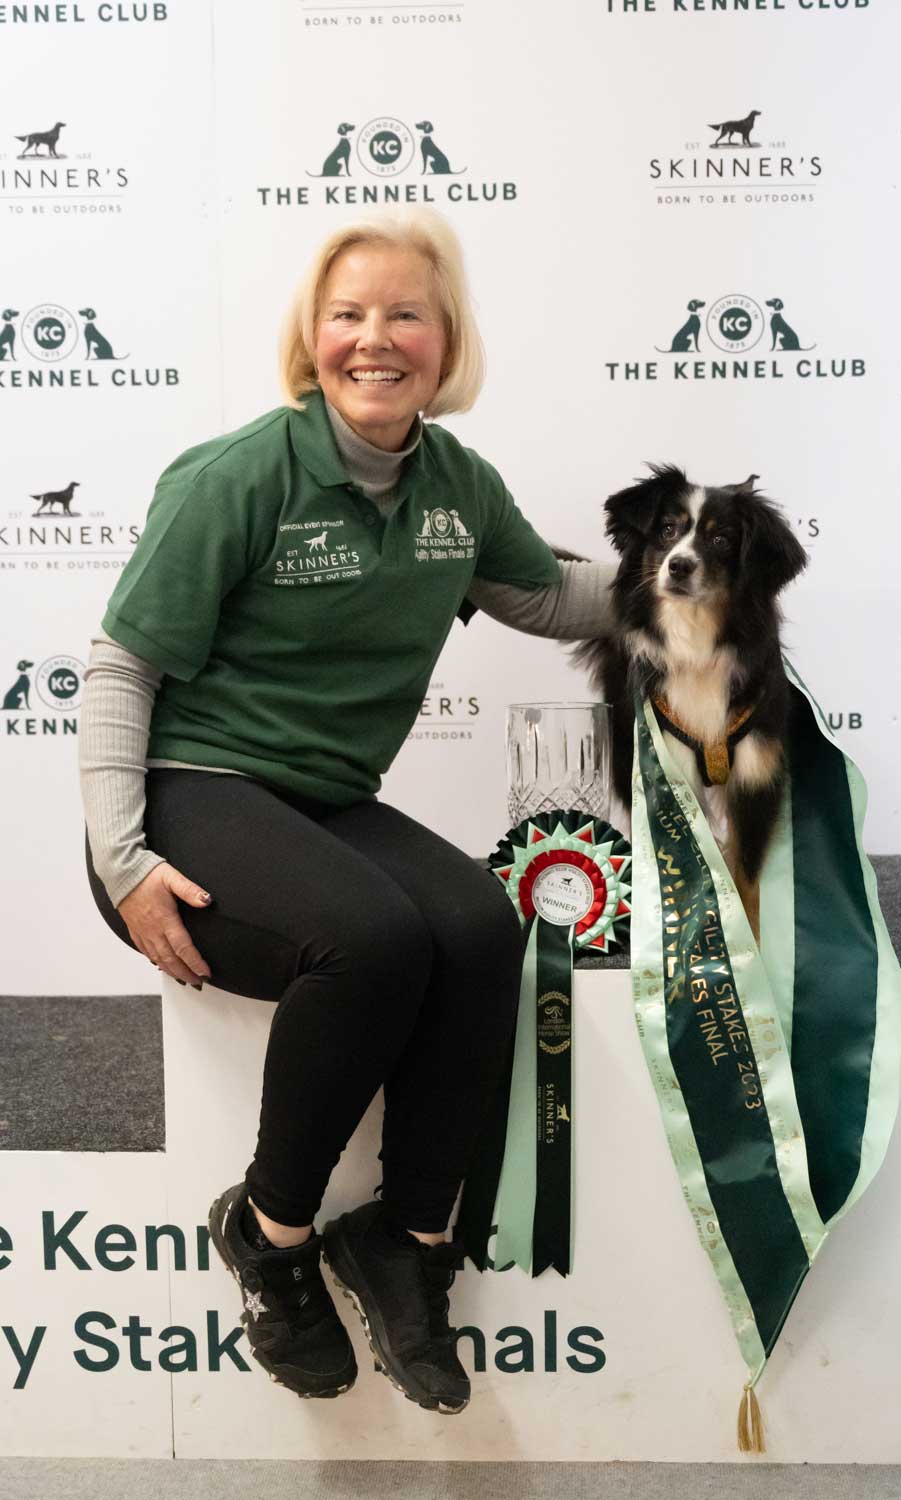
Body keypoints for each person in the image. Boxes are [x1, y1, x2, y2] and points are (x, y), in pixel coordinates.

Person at [79, 208, 616, 1413]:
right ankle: (271, 1233)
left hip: (320, 801)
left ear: (447, 339)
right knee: (372, 936)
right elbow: (121, 668)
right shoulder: (241, 473)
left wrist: (693, 589)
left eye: (405, 314)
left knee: (480, 927)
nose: (374, 339)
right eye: (347, 315)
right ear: (311, 337)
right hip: (186, 793)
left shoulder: (454, 485)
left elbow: (544, 595)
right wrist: (122, 860)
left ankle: (409, 1240)